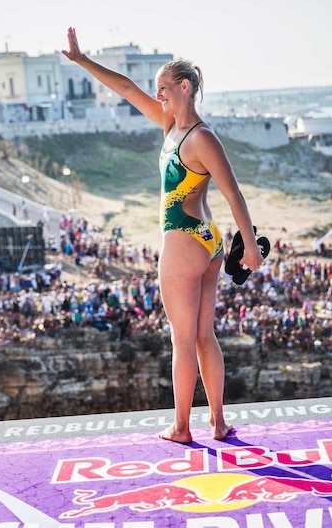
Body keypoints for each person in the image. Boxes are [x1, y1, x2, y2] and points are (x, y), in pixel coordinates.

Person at [62, 27, 264, 443]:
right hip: (208, 240)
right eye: (157, 90)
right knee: (204, 335)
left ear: (185, 88)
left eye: (165, 89)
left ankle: (182, 427)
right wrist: (82, 61)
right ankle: (219, 422)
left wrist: (254, 252)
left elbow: (234, 194)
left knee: (182, 339)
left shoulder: (200, 137)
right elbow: (126, 88)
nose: (158, 96)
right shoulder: (173, 126)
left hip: (184, 243)